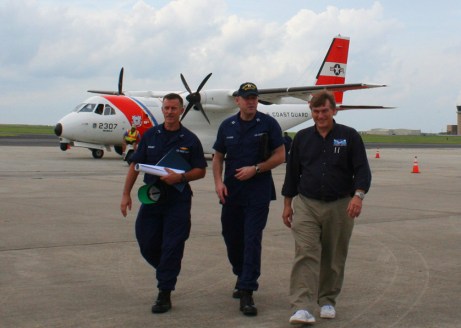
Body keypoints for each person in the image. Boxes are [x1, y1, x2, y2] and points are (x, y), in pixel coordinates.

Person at [281, 90, 371, 325]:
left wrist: (358, 196)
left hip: (340, 204)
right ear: (311, 112)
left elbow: (362, 169)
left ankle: (327, 299)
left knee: (333, 255)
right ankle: (301, 306)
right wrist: (287, 204)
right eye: (316, 111)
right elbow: (292, 173)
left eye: (325, 111)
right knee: (305, 252)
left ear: (334, 111)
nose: (320, 115)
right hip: (307, 204)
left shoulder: (349, 136)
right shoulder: (301, 138)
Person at [120, 93, 207, 314]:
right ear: (162, 109)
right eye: (166, 108)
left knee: (172, 246)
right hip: (152, 198)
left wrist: (181, 177)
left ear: (181, 110)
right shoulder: (150, 135)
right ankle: (167, 270)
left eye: (174, 108)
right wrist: (125, 194)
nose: (169, 112)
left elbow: (200, 170)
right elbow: (135, 165)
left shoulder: (189, 139)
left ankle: (164, 292)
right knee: (146, 241)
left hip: (178, 200)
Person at [212, 82, 285, 316]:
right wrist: (218, 182)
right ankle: (241, 273)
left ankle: (247, 291)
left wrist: (256, 168)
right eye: (246, 98)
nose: (251, 101)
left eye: (254, 97)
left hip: (258, 192)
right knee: (232, 237)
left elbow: (280, 155)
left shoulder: (268, 124)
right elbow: (218, 156)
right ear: (238, 101)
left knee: (252, 239)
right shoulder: (227, 125)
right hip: (231, 192)